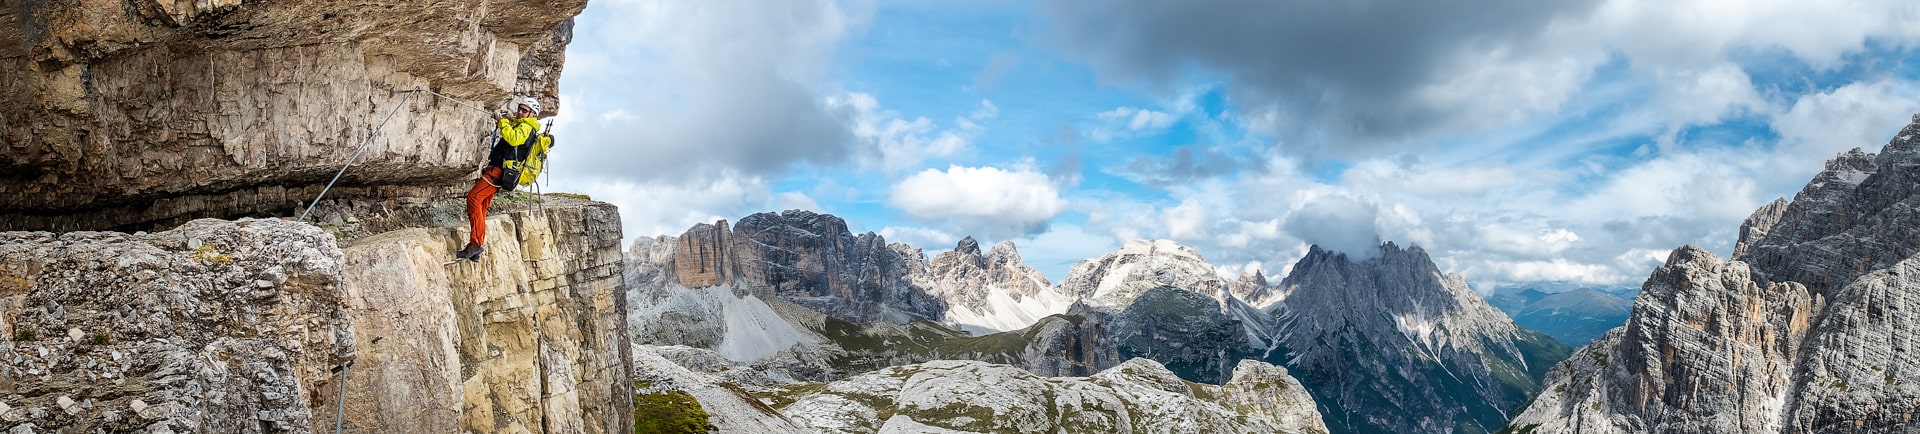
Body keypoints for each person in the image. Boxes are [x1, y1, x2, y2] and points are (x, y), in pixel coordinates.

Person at [455, 97, 542, 261]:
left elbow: (514, 138)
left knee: (474, 198)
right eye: (520, 109)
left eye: (524, 110)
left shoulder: (526, 126)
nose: (520, 112)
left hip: (498, 171)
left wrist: (502, 122)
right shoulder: (525, 126)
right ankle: (476, 248)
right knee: (481, 205)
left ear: (533, 114)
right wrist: (508, 120)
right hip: (502, 172)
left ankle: (475, 244)